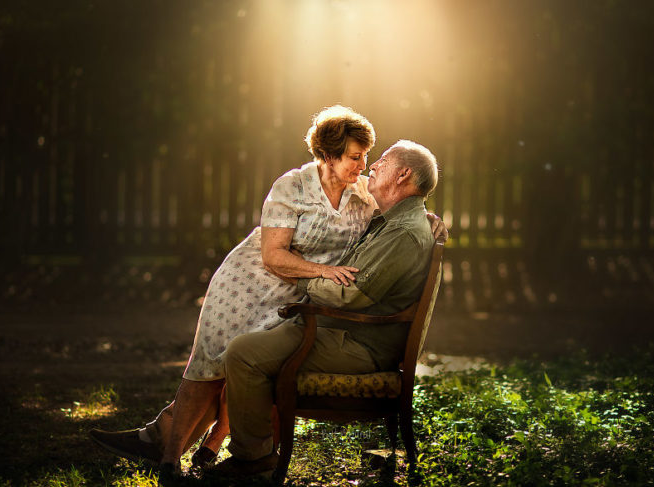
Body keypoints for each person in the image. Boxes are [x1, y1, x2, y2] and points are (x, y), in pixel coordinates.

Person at [89, 108, 446, 470]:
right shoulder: (292, 187)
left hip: (303, 298)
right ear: (328, 155)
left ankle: (217, 449)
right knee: (211, 369)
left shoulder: (363, 196)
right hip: (250, 287)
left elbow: (401, 215)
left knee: (247, 365)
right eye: (356, 157)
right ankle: (166, 453)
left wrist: (430, 219)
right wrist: (323, 271)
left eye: (368, 157)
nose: (365, 165)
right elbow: (274, 256)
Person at [204, 139, 440, 481]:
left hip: (359, 345)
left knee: (243, 353)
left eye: (383, 162)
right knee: (248, 342)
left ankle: (251, 458)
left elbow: (350, 295)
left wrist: (297, 278)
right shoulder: (394, 221)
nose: (372, 166)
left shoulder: (403, 232)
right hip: (344, 332)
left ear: (404, 175)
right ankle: (249, 451)